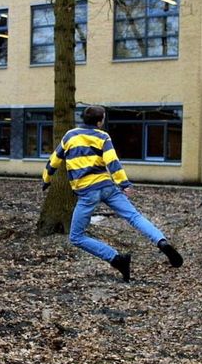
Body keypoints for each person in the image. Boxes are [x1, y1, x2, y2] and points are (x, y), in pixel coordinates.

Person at [41, 105, 183, 282]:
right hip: (108, 187)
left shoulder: (70, 136)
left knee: (76, 237)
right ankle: (161, 242)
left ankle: (116, 259)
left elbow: (54, 160)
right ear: (100, 120)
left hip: (86, 192)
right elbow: (112, 161)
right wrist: (124, 183)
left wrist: (46, 179)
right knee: (134, 217)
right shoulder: (103, 136)